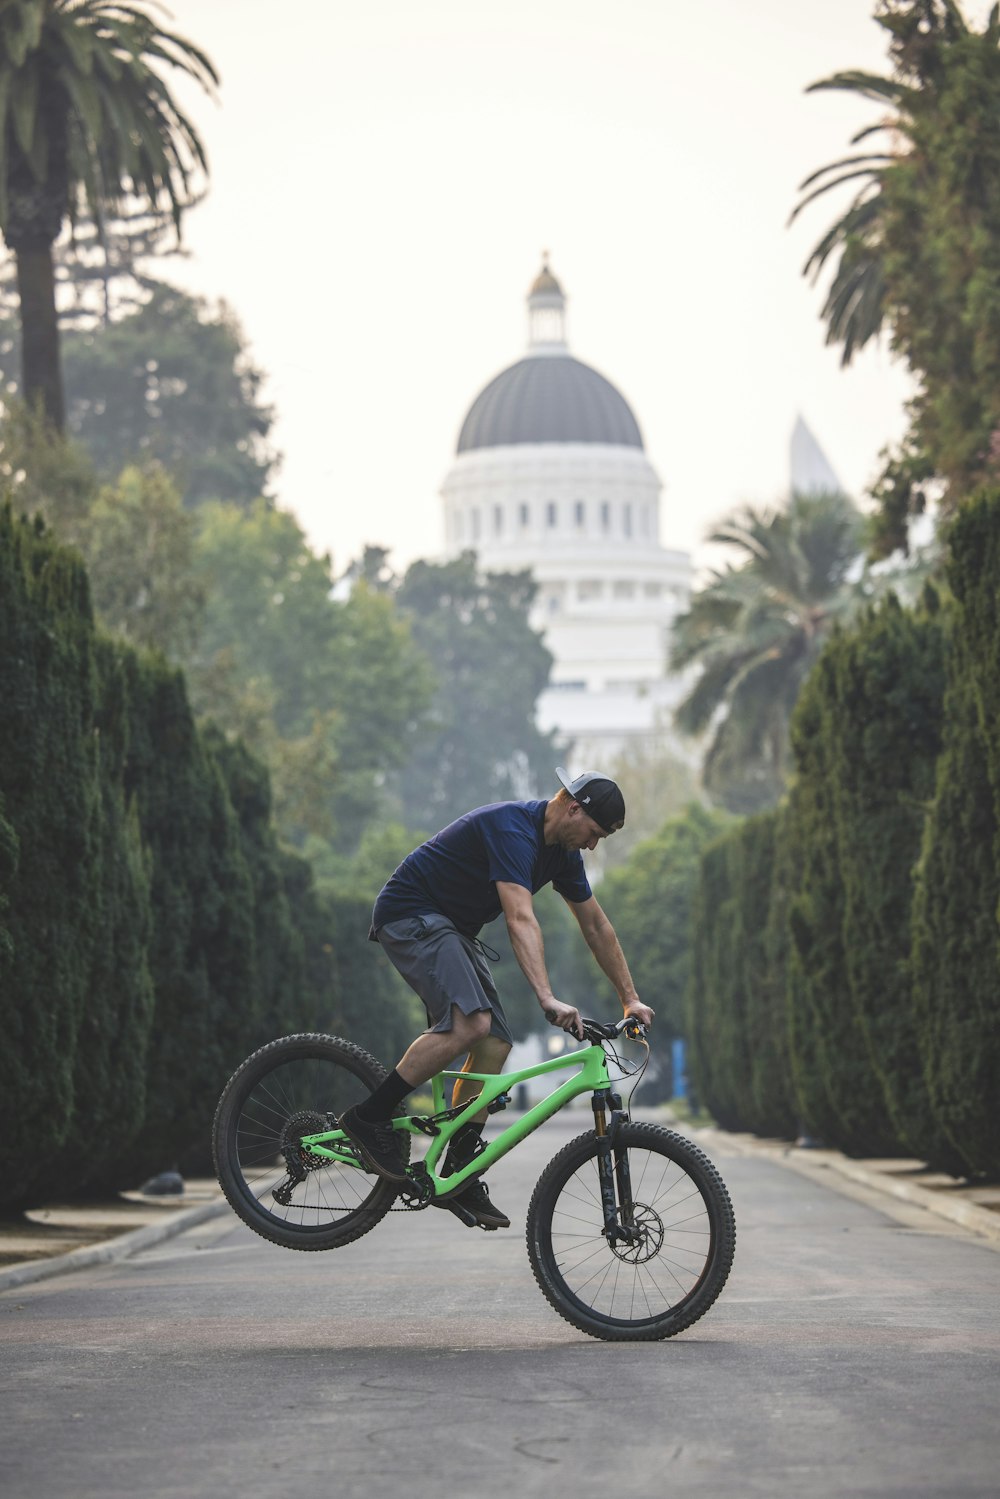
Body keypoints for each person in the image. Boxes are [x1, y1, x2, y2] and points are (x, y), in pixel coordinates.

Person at [338, 767, 654, 1230]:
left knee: (494, 1043)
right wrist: (547, 997)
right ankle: (370, 1118)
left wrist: (630, 998)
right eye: (594, 833)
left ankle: (460, 1163)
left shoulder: (562, 857)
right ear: (573, 808)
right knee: (470, 1024)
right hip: (411, 914)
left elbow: (596, 926)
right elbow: (520, 918)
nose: (592, 846)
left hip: (450, 930)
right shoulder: (513, 830)